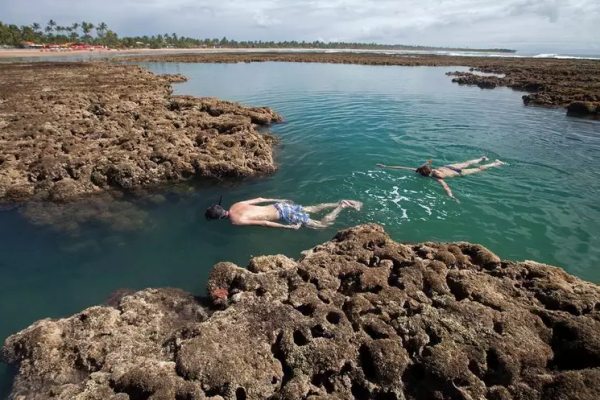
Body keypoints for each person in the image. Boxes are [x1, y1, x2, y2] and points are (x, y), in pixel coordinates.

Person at [376, 156, 505, 199]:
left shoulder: (436, 177)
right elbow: (403, 168)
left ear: (423, 174)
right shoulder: (432, 171)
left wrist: (451, 196)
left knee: (478, 169)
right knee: (467, 163)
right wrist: (386, 166)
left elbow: (446, 186)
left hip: (458, 173)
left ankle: (496, 163)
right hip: (450, 167)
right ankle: (483, 158)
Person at [205, 197, 363, 229]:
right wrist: (280, 199)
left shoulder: (235, 221)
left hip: (285, 216)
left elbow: (265, 223)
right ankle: (337, 201)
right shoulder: (236, 204)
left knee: (320, 225)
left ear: (218, 219)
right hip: (279, 205)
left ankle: (341, 206)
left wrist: (288, 227)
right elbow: (260, 199)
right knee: (311, 208)